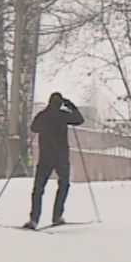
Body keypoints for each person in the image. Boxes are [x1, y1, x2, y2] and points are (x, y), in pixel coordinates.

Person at [26, 92, 85, 229]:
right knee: (64, 185)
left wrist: (46, 112)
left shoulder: (43, 115)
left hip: (45, 157)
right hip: (61, 157)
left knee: (38, 189)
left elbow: (34, 127)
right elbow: (79, 119)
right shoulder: (63, 116)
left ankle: (34, 219)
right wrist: (70, 105)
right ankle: (57, 215)